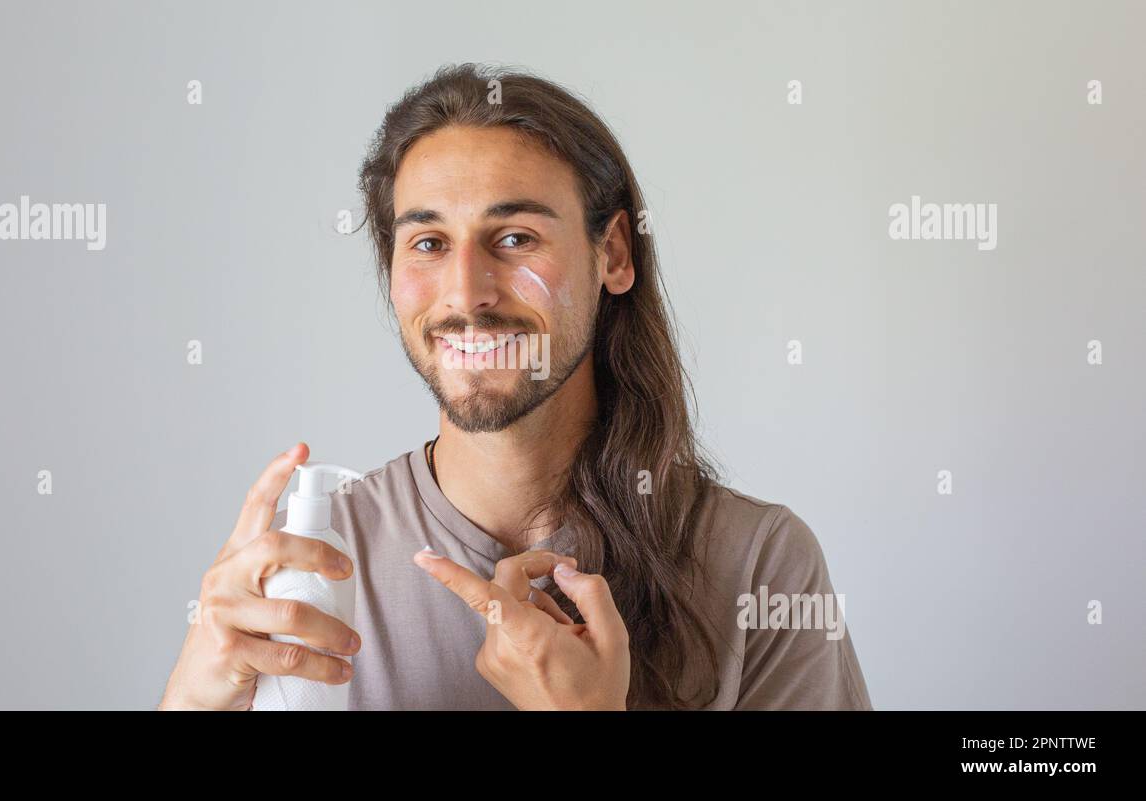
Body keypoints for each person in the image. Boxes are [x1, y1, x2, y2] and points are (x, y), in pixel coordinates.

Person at [159, 63, 872, 710]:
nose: (466, 292)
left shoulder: (757, 564)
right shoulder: (308, 567)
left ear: (613, 253)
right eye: (429, 244)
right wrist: (192, 699)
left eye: (515, 239)